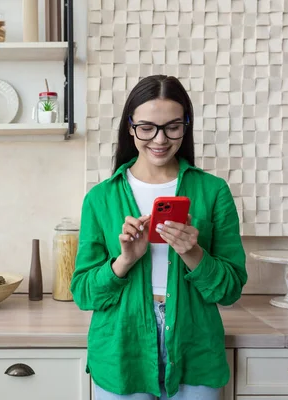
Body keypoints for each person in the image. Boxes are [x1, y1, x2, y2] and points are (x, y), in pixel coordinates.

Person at [70, 75, 247, 400]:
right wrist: (124, 261)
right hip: (122, 346)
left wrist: (193, 253)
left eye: (172, 127)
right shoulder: (100, 199)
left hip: (196, 345)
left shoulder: (213, 192)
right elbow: (83, 293)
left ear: (186, 126)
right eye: (147, 127)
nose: (160, 139)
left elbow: (230, 290)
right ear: (130, 127)